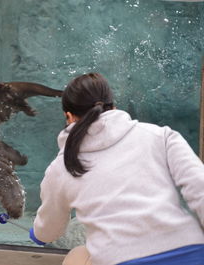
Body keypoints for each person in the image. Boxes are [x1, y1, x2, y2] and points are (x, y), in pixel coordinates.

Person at [29, 72, 204, 265]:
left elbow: (50, 229)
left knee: (77, 256)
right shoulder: (161, 136)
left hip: (121, 260)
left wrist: (37, 234)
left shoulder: (62, 165)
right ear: (113, 106)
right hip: (192, 254)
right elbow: (200, 187)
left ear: (69, 117)